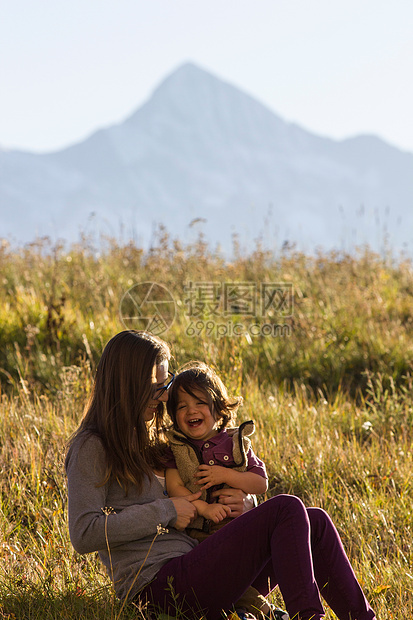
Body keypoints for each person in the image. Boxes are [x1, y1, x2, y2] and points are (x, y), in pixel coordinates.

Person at [65, 330, 377, 620]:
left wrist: (244, 504)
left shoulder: (153, 439)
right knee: (286, 507)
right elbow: (84, 533)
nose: (163, 397)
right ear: (127, 384)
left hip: (199, 564)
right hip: (157, 586)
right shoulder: (93, 446)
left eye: (165, 385)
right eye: (155, 387)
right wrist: (167, 511)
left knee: (315, 522)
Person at [165, 362, 280, 619]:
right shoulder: (177, 449)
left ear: (218, 409)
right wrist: (204, 508)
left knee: (235, 573)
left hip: (239, 530)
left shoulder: (234, 442)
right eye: (182, 406)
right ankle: (266, 612)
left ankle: (249, 612)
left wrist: (227, 475)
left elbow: (261, 483)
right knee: (223, 575)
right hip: (200, 537)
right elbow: (174, 487)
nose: (191, 410)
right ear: (174, 415)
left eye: (199, 403)